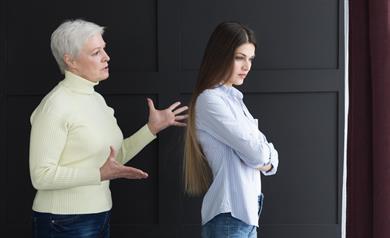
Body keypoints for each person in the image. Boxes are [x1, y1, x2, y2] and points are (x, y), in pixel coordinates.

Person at [29, 19, 188, 238]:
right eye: (96, 52)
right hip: (62, 221)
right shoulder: (55, 105)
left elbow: (115, 158)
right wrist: (98, 174)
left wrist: (151, 129)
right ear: (71, 61)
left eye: (104, 49)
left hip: (100, 215)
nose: (106, 57)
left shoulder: (97, 100)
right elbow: (41, 176)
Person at [183, 22, 279, 238]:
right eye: (239, 57)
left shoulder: (235, 100)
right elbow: (257, 153)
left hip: (245, 217)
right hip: (230, 218)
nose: (247, 66)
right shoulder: (210, 100)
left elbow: (265, 158)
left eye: (250, 59)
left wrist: (265, 157)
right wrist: (266, 156)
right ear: (221, 56)